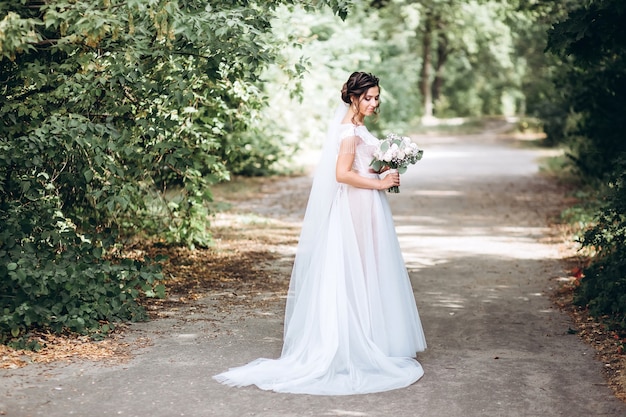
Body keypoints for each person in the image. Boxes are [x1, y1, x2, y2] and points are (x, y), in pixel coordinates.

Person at [213, 72, 426, 395]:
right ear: (353, 97)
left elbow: (359, 167)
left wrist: (382, 169)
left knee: (368, 272)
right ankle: (354, 343)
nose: (373, 102)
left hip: (368, 203)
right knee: (357, 271)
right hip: (356, 204)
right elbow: (341, 175)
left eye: (376, 97)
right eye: (367, 97)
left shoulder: (357, 128)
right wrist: (379, 182)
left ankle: (370, 337)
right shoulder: (347, 132)